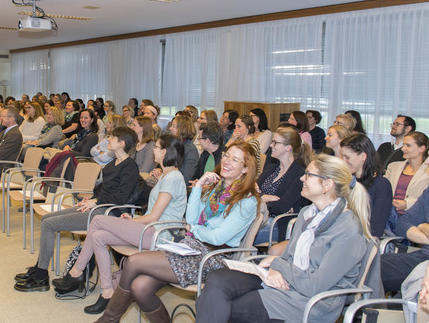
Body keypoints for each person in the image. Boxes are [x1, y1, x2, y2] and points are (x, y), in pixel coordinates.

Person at [94, 141, 260, 323]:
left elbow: (217, 237)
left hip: (213, 258)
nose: (227, 161)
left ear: (245, 169)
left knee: (133, 262)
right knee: (140, 287)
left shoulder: (247, 200)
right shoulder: (216, 188)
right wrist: (198, 187)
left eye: (235, 160)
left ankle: (108, 320)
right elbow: (190, 220)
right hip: (190, 246)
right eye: (227, 155)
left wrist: (196, 230)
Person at [195, 154, 372, 323]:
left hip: (308, 302)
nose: (302, 179)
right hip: (287, 281)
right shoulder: (307, 214)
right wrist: (276, 269)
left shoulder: (348, 229)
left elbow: (315, 285)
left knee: (218, 304)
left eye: (308, 175)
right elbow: (289, 258)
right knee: (217, 280)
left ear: (327, 185)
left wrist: (277, 263)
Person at [52, 134, 188, 314]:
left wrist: (133, 221)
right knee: (98, 236)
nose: (153, 150)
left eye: (156, 147)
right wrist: (133, 221)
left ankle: (77, 271)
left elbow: (154, 216)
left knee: (98, 219)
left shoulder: (173, 177)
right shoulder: (166, 175)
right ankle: (107, 291)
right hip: (148, 229)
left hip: (158, 234)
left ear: (164, 152)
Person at [14, 126, 140, 292]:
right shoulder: (113, 163)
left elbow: (121, 198)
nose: (108, 139)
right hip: (98, 206)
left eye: (112, 138)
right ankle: (40, 267)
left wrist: (96, 202)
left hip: (106, 213)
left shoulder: (130, 167)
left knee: (48, 224)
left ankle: (40, 276)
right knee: (46, 219)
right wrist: (91, 198)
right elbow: (103, 189)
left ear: (122, 143)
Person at [254, 126, 312, 244]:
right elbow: (252, 191)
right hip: (259, 217)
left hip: (277, 223)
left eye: (275, 143)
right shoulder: (272, 168)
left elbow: (282, 206)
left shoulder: (299, 174)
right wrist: (266, 198)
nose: (271, 145)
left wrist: (260, 198)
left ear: (288, 148)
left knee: (240, 232)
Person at [340, 133, 392, 237]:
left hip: (362, 239)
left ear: (363, 156)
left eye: (347, 157)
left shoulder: (381, 185)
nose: (343, 161)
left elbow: (375, 228)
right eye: (342, 157)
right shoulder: (345, 181)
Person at [382, 187, 429, 294]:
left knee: (372, 272)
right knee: (374, 264)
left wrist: (423, 227)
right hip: (422, 256)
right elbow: (402, 224)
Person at [385, 131, 429, 215]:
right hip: (389, 214)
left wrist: (406, 204)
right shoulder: (393, 167)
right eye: (403, 145)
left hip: (415, 217)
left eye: (408, 146)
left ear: (422, 148)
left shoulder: (427, 172)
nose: (402, 149)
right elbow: (384, 190)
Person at [166, 115, 199, 185]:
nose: (170, 128)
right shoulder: (171, 145)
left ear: (181, 129)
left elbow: (187, 178)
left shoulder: (191, 150)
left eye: (173, 126)